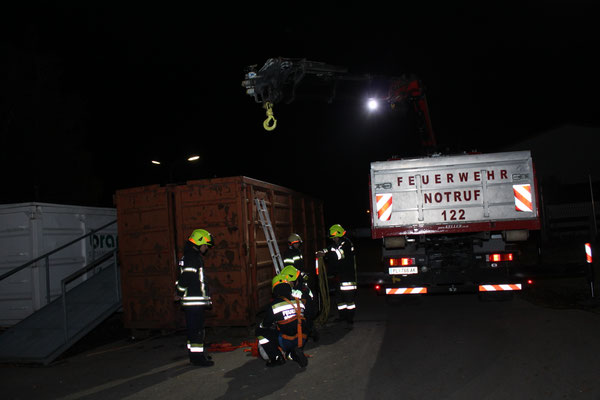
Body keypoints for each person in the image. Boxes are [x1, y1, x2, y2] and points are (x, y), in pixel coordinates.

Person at [175, 228, 215, 367]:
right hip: (194, 302)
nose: (206, 248)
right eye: (205, 245)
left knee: (195, 330)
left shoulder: (190, 256)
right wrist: (178, 293)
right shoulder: (193, 258)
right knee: (196, 331)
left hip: (193, 302)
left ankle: (196, 355)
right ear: (199, 243)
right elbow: (186, 277)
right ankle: (198, 359)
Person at [255, 274, 309, 368]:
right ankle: (292, 354)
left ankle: (276, 358)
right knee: (290, 326)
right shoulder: (299, 301)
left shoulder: (275, 305)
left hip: (287, 340)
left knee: (260, 332)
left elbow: (266, 324)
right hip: (302, 338)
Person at [321, 224, 357, 325]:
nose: (333, 239)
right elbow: (330, 249)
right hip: (339, 277)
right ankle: (342, 316)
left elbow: (338, 255)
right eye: (332, 238)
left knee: (349, 300)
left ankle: (349, 318)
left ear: (339, 235)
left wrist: (325, 254)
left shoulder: (347, 244)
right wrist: (322, 251)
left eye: (335, 237)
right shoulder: (337, 244)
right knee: (339, 299)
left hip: (347, 278)